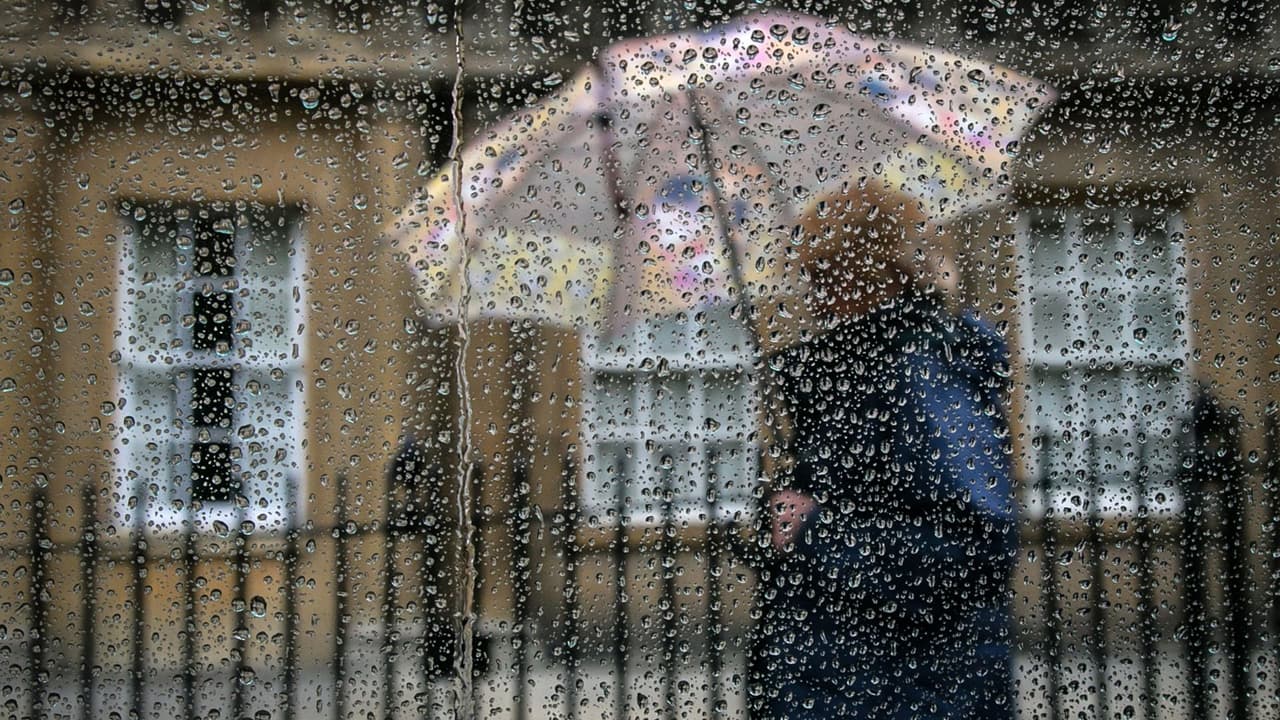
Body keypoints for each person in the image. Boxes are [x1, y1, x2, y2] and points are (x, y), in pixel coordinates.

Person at [750, 183, 1019, 719]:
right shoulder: (854, 372)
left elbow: (977, 542)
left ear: (881, 275)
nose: (817, 297)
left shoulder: (922, 370)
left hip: (907, 692)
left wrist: (814, 530)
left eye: (827, 276)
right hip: (841, 679)